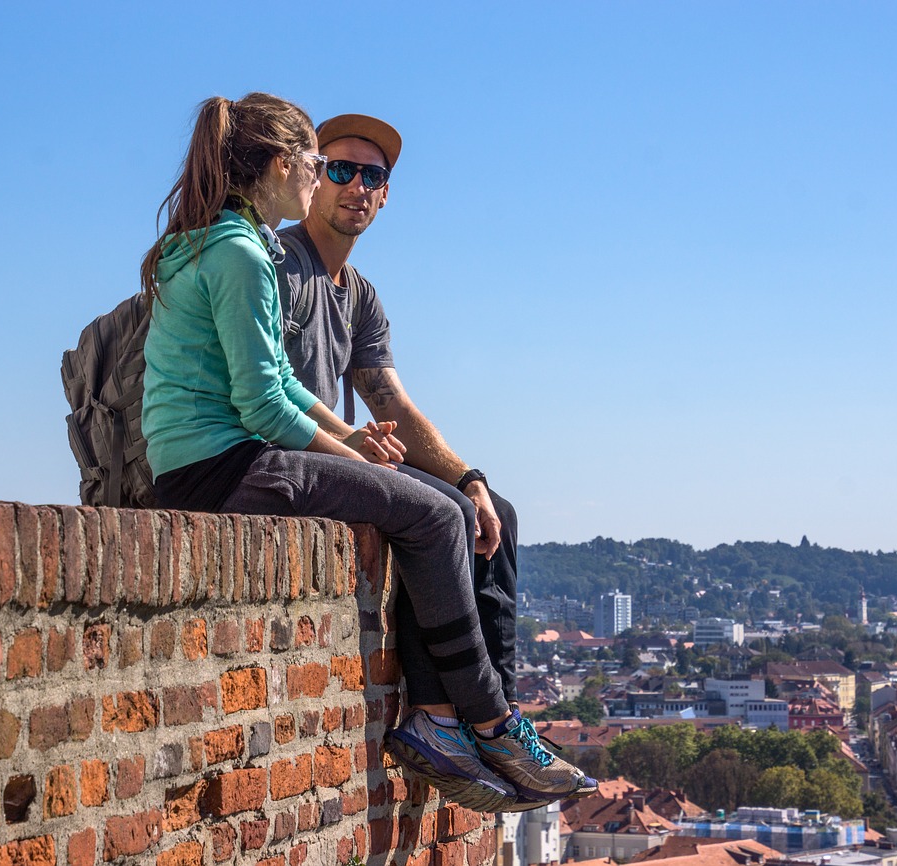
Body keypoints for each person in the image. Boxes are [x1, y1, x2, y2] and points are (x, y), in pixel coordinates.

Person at [139, 92, 593, 811]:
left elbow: (290, 385)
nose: (333, 182)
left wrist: (359, 443)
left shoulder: (226, 240)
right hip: (226, 466)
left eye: (365, 176)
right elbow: (261, 405)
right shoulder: (249, 253)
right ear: (286, 166)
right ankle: (482, 720)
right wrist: (354, 457)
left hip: (222, 459)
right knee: (437, 516)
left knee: (460, 504)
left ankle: (463, 720)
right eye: (326, 167)